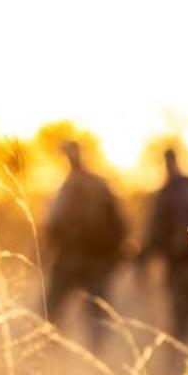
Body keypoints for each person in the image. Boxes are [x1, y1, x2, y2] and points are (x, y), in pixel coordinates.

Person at [42, 140, 127, 342]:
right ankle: (91, 353)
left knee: (52, 310)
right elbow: (119, 223)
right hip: (92, 260)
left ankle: (48, 347)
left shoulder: (66, 187)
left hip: (75, 259)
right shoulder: (98, 184)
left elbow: (53, 226)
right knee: (95, 312)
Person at [138, 147, 188, 341]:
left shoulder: (166, 193)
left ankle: (180, 357)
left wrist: (143, 260)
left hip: (178, 264)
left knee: (179, 314)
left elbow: (154, 231)